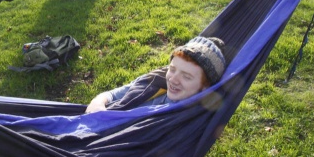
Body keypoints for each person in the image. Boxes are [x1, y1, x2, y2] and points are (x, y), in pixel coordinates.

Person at [85, 36, 226, 113]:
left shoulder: (186, 118)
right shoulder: (155, 81)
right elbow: (115, 94)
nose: (173, 79)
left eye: (186, 76)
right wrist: (98, 101)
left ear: (205, 86)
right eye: (172, 69)